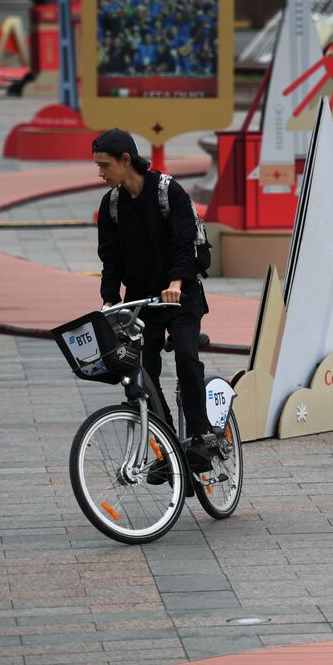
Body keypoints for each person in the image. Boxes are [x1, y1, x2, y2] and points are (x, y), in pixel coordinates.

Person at [92, 128, 213, 472]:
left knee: (187, 355)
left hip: (181, 294)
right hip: (142, 301)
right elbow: (110, 260)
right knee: (142, 372)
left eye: (104, 165)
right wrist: (109, 301)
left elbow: (184, 243)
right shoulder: (112, 204)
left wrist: (175, 282)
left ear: (125, 160)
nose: (100, 173)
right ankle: (170, 446)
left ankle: (202, 439)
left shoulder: (167, 191)